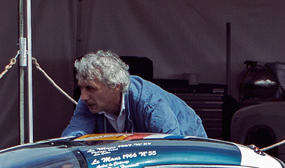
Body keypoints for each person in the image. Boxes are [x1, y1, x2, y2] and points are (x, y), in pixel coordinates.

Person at [62, 50, 205, 137]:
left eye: (91, 88)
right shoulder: (88, 101)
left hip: (187, 141)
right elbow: (75, 135)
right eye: (81, 88)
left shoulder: (150, 103)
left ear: (116, 86)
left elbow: (172, 149)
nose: (83, 97)